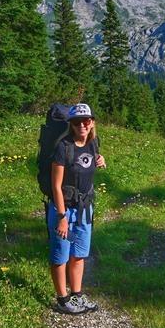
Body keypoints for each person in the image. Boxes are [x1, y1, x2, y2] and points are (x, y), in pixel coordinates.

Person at [48, 103, 106, 314]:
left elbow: (87, 163)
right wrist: (61, 217)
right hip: (64, 210)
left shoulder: (93, 143)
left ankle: (77, 295)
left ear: (92, 123)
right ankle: (62, 300)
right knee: (61, 256)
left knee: (79, 254)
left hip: (84, 209)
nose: (82, 125)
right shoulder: (63, 147)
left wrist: (100, 159)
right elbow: (56, 186)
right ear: (71, 125)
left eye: (86, 121)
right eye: (76, 122)